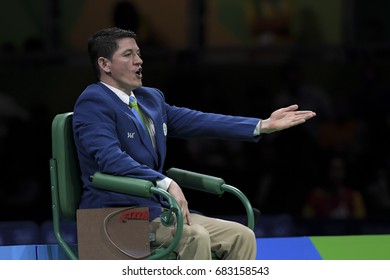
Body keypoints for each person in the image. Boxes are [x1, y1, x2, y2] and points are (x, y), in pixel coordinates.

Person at [73, 27, 316, 260]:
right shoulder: (93, 102)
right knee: (195, 237)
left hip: (155, 212)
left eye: (138, 53)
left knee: (242, 236)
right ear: (104, 64)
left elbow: (200, 121)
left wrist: (261, 125)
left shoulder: (150, 99)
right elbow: (109, 159)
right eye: (128, 54)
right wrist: (165, 183)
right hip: (112, 218)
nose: (139, 61)